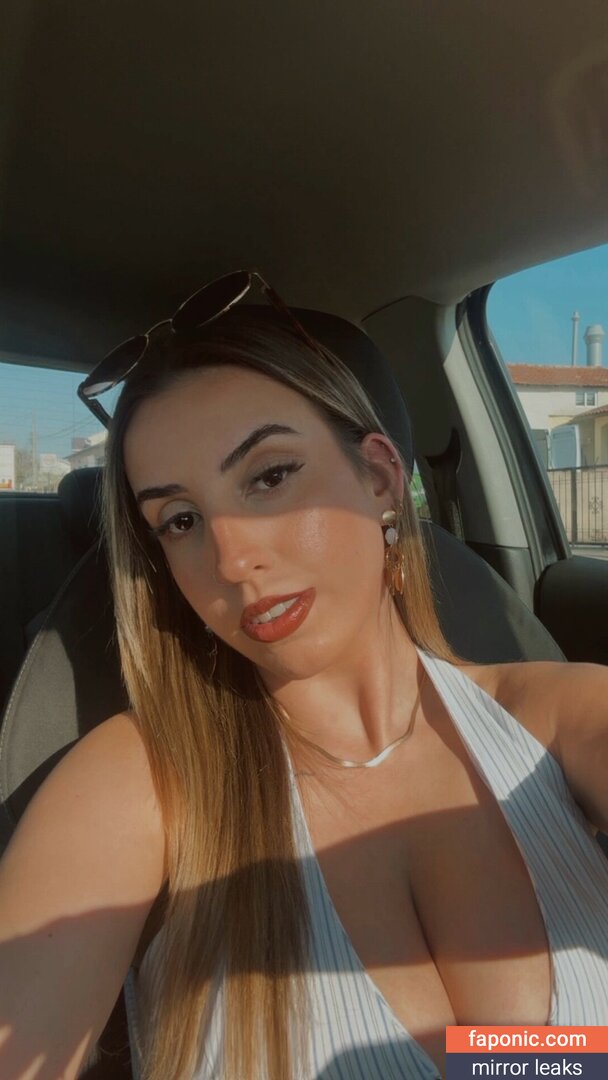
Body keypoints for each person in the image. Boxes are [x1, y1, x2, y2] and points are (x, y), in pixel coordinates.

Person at [1, 272, 607, 1080]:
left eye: (269, 476)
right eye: (181, 520)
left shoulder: (560, 717)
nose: (232, 558)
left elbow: (496, 1063)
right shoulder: (139, 783)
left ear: (381, 478)